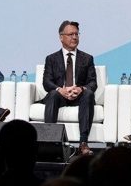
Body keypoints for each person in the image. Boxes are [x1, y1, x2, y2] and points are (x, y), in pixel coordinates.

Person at [41, 20, 97, 156]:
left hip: (79, 97)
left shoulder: (87, 58)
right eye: (71, 34)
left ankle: (83, 143)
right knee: (53, 94)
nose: (74, 37)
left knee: (88, 94)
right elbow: (46, 82)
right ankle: (49, 142)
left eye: (77, 34)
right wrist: (60, 90)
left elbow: (93, 83)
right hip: (60, 95)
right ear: (61, 37)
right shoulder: (51, 59)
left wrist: (81, 89)